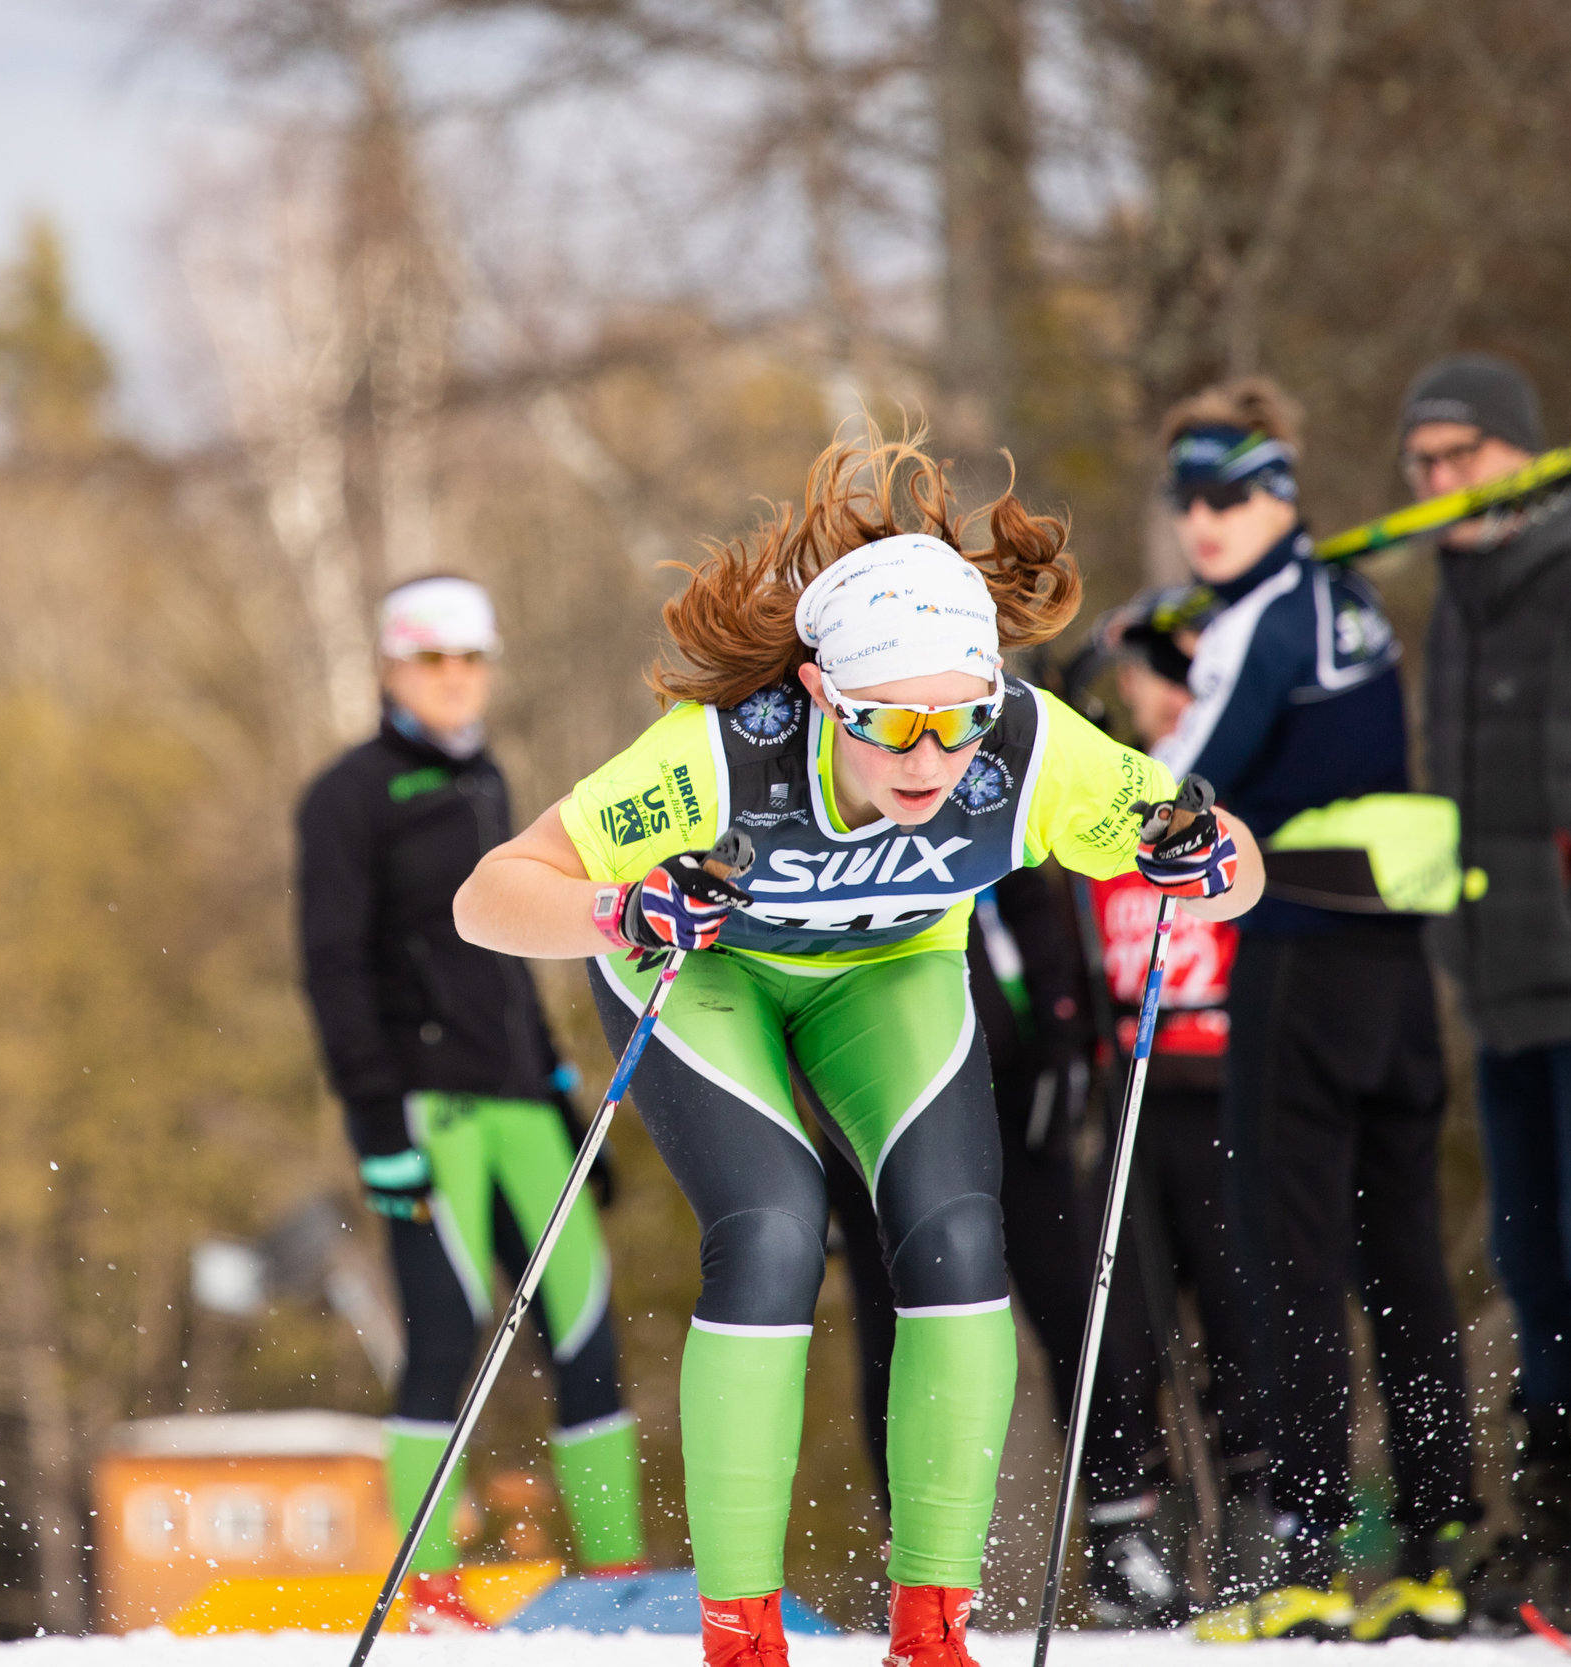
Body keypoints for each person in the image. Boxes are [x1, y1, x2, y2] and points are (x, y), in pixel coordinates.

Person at [452, 433, 1263, 1667]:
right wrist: (621, 907)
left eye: (959, 721)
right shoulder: (720, 755)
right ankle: (740, 1633)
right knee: (773, 1229)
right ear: (830, 696)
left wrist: (1202, 862)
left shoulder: (1028, 750)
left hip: (886, 977)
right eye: (894, 727)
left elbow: (1232, 864)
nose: (933, 759)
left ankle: (930, 1628)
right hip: (709, 973)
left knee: (956, 1233)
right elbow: (488, 895)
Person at [1145, 379, 1482, 1645]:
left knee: (1284, 1260)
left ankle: (1297, 1552)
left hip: (1297, 957)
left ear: (1281, 494)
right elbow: (1313, 725)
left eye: (1229, 493)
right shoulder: (1345, 597)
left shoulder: (1262, 613)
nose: (1203, 520)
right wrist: (1177, 654)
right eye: (1185, 499)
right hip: (1396, 966)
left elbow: (1183, 785)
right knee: (1401, 1259)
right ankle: (1439, 1545)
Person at [295, 575, 646, 1630]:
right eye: (432, 661)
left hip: (519, 1106)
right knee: (444, 1335)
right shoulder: (348, 794)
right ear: (393, 668)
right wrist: (374, 1127)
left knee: (585, 1325)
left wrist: (561, 1091)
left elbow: (511, 960)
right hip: (424, 1111)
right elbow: (333, 969)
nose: (454, 681)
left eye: (470, 660)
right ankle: (429, 1590)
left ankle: (619, 1579)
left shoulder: (488, 778)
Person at [1406, 352, 1571, 1637]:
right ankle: (1552, 1529)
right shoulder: (1463, 598)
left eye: (1464, 453)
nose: (1443, 479)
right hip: (1503, 993)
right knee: (1528, 1257)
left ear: (1524, 452)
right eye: (1424, 461)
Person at [831, 854, 1193, 1629]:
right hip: (868, 1088)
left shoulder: (964, 754)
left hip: (1006, 1084)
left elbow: (1028, 889)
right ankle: (919, 1567)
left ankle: (1120, 1529)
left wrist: (1066, 1036)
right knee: (895, 1333)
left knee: (1072, 1307)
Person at [1083, 599, 1276, 1604]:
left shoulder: (1233, 781)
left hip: (1228, 1089)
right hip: (1133, 1093)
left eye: (1154, 680)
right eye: (1132, 687)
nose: (1141, 701)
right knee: (1122, 1320)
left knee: (1243, 1309)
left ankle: (1259, 1530)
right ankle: (1128, 1539)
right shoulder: (1114, 794)